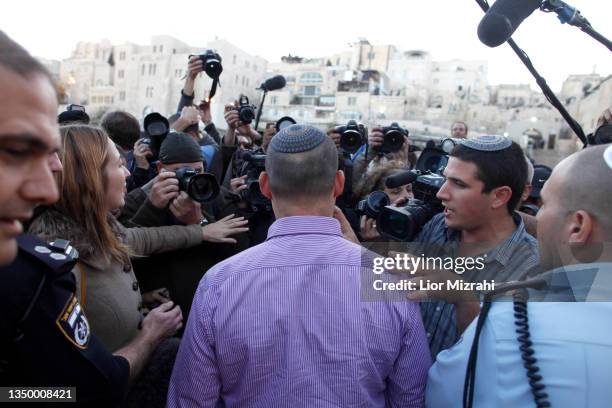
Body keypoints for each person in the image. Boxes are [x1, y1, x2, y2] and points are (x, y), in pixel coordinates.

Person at [168, 124, 432, 406]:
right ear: (339, 183)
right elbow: (411, 398)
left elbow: (192, 399)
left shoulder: (220, 283)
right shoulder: (389, 280)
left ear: (265, 185)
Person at [0, 30, 174, 406]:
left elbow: (36, 391)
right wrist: (148, 340)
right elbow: (78, 392)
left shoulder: (25, 274)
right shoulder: (36, 268)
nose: (45, 189)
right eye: (15, 151)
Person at [426, 144, 612, 408]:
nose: (534, 218)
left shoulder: (506, 325)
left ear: (578, 226)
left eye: (544, 204)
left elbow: (442, 396)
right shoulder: (436, 227)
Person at [409, 135, 540, 358]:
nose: (441, 193)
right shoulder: (437, 227)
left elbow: (506, 363)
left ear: (499, 196)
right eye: (445, 179)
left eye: (458, 184)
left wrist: (465, 302)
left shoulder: (534, 270)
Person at [118, 131, 248, 318]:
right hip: (162, 314)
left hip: (210, 308)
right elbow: (123, 252)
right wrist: (152, 208)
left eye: (197, 172)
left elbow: (241, 252)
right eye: (180, 172)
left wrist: (199, 221)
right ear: (160, 168)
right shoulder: (136, 200)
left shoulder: (217, 196)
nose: (190, 179)